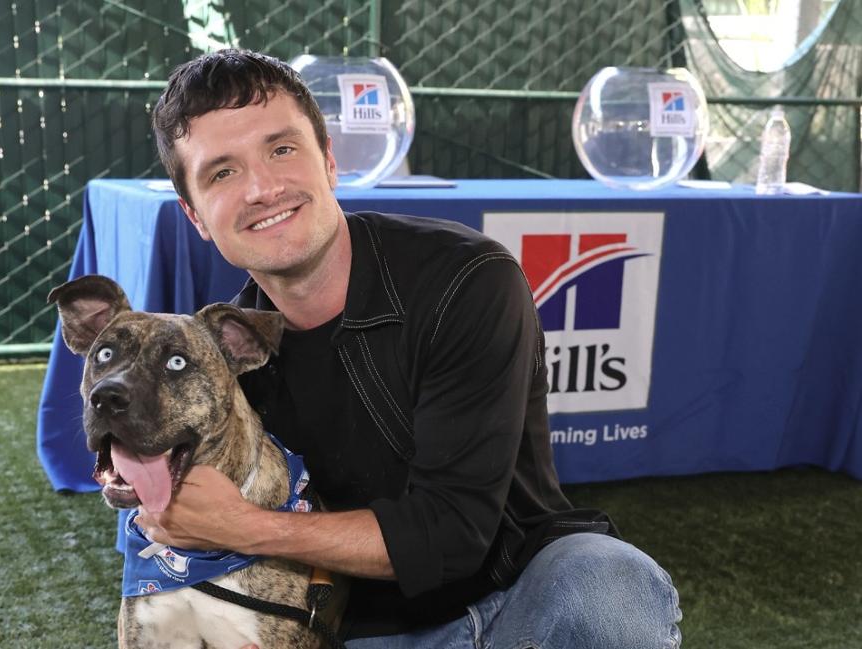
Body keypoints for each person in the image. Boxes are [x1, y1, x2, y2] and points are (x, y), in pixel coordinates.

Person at [138, 48, 682, 648]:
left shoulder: (464, 278)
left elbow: (451, 534)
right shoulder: (225, 358)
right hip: (353, 629)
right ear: (196, 217)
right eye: (223, 172)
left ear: (329, 161)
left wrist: (246, 527)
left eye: (282, 149)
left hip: (515, 600)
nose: (263, 187)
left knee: (608, 580)